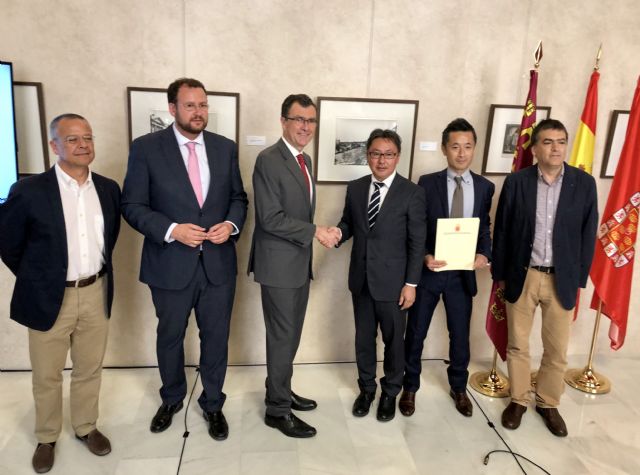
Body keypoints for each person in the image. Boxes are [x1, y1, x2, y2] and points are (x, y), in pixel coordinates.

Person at [121, 78, 248, 441]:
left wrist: (231, 225)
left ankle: (213, 403)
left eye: (203, 105)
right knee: (170, 336)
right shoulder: (146, 148)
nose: (198, 112)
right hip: (169, 264)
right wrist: (172, 229)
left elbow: (239, 198)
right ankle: (172, 398)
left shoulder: (225, 148)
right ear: (172, 108)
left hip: (218, 265)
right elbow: (132, 205)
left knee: (216, 338)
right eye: (190, 105)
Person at [0, 113, 120, 473]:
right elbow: (9, 244)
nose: (83, 145)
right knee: (46, 374)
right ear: (54, 146)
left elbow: (110, 239)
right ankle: (47, 436)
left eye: (88, 137)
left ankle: (85, 427)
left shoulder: (108, 189)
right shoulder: (29, 190)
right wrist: (40, 279)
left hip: (96, 291)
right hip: (48, 297)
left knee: (89, 368)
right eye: (72, 139)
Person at [492, 119, 598, 437]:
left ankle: (548, 403)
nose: (556, 148)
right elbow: (503, 230)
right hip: (522, 276)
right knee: (518, 344)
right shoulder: (517, 182)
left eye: (561, 141)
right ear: (535, 148)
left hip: (561, 279)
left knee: (556, 349)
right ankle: (519, 400)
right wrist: (500, 275)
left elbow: (587, 234)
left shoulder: (584, 183)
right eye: (548, 142)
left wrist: (578, 279)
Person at [248, 94, 338, 438]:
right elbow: (270, 218)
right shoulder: (269, 160)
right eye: (299, 119)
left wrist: (315, 233)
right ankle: (277, 410)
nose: (305, 126)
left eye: (311, 120)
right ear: (283, 121)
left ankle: (281, 389)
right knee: (282, 338)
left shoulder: (305, 160)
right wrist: (316, 232)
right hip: (278, 267)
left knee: (291, 336)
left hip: (298, 264)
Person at [400, 118, 494, 418]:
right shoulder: (427, 183)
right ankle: (410, 387)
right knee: (416, 332)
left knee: (460, 335)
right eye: (455, 147)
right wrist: (424, 256)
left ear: (474, 148)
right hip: (430, 271)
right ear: (444, 149)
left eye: (468, 146)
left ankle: (459, 388)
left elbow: (484, 227)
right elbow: (416, 226)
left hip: (461, 275)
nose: (462, 153)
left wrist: (484, 254)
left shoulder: (485, 187)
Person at [336, 128, 426, 422]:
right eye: (376, 153)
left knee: (393, 342)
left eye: (388, 154)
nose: (382, 160)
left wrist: (411, 284)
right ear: (367, 156)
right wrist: (337, 233)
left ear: (398, 157)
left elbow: (417, 243)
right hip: (361, 280)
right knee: (363, 340)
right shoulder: (356, 188)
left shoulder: (412, 192)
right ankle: (366, 389)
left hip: (394, 284)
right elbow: (348, 224)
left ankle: (390, 392)